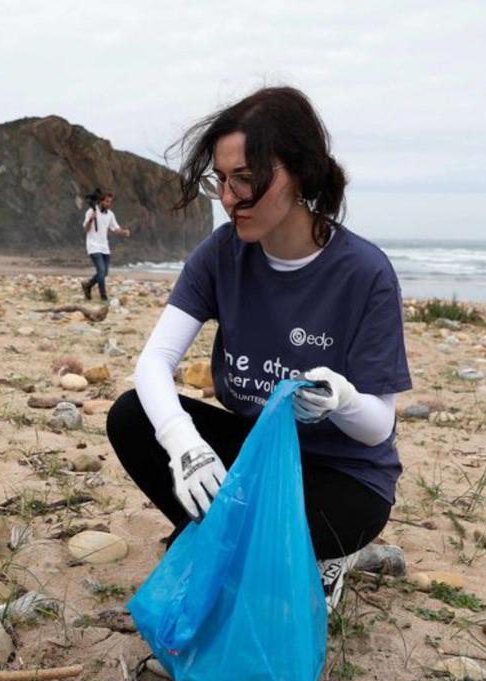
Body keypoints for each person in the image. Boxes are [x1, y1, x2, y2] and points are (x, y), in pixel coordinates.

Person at [107, 87, 411, 612]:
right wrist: (185, 445)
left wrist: (342, 400)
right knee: (133, 417)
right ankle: (231, 546)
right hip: (258, 453)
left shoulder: (365, 274)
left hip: (340, 480)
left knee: (273, 540)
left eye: (246, 178)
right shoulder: (221, 256)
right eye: (221, 181)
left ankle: (308, 558)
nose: (228, 198)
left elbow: (378, 427)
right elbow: (154, 363)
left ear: (299, 173)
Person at [81, 190, 130, 300]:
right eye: (107, 201)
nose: (109, 204)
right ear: (101, 201)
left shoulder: (110, 214)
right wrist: (91, 220)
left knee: (104, 273)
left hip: (104, 247)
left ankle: (88, 285)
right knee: (101, 271)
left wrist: (124, 232)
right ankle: (103, 296)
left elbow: (115, 228)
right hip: (93, 246)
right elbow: (86, 229)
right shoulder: (91, 211)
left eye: (110, 202)